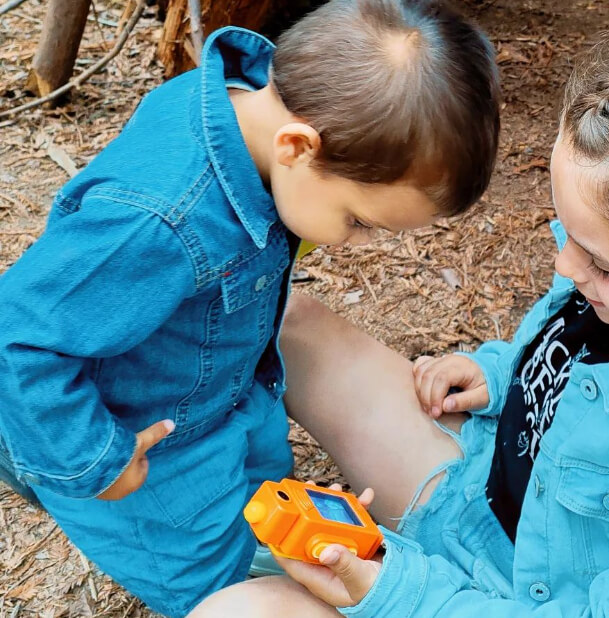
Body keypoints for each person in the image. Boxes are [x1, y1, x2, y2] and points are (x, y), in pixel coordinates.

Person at [190, 9, 609, 617]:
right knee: (289, 321)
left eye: (602, 265)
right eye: (563, 231)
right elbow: (574, 354)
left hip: (526, 600)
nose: (567, 269)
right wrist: (504, 371)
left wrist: (398, 592)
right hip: (483, 503)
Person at [0, 1, 500, 615]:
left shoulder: (250, 109)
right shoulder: (161, 222)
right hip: (152, 442)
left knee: (270, 501)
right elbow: (17, 338)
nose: (359, 242)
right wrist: (94, 459)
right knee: (221, 579)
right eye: (358, 221)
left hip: (224, 379)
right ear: (297, 146)